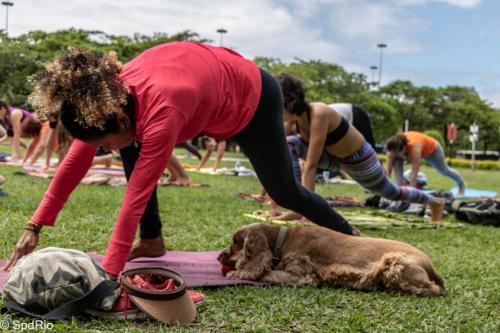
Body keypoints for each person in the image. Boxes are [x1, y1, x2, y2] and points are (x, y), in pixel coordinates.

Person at [2, 42, 357, 278]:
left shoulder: (162, 111)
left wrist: (109, 275)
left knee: (285, 192)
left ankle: (351, 236)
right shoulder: (107, 103)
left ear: (122, 121)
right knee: (129, 146)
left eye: (104, 145)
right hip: (208, 89)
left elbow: (136, 195)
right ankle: (153, 241)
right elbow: (72, 166)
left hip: (253, 96)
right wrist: (33, 226)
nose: (105, 151)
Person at [270, 73, 444, 222]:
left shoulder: (319, 113)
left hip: (359, 160)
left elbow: (311, 165)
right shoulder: (292, 122)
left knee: (392, 192)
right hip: (334, 159)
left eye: (276, 104)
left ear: (290, 103)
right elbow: (278, 159)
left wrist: (310, 213)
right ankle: (298, 207)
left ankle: (435, 201)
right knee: (289, 144)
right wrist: (275, 205)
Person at [385, 131, 466, 195]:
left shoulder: (414, 147)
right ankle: (400, 189)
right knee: (396, 166)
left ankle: (462, 185)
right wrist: (385, 189)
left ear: (404, 148)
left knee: (444, 171)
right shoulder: (391, 150)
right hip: (413, 150)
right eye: (393, 153)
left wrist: (412, 192)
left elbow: (414, 174)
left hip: (433, 150)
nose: (395, 155)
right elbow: (388, 170)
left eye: (398, 153)